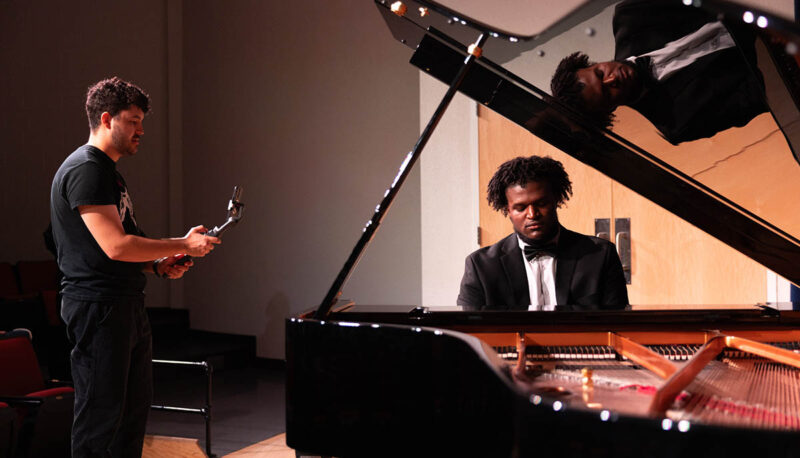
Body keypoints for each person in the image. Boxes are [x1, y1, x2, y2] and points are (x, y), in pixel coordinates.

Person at [50, 77, 220, 457]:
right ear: (107, 119)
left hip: (122, 304)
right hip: (99, 307)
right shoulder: (86, 169)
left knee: (130, 415)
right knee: (101, 419)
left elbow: (119, 247)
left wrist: (158, 266)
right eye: (133, 120)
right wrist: (183, 243)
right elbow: (115, 246)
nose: (141, 130)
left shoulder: (108, 172)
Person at [550, 0, 767, 145]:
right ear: (609, 110)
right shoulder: (678, 124)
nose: (612, 78)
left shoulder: (631, 15)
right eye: (607, 93)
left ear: (591, 63)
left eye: (599, 73)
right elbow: (760, 97)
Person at [457, 156, 628, 310]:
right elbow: (470, 331)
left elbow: (618, 325)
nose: (532, 214)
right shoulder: (481, 266)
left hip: (585, 346)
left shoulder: (600, 255)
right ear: (507, 210)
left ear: (557, 200)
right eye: (520, 208)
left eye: (541, 204)